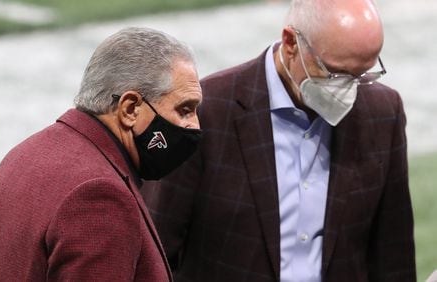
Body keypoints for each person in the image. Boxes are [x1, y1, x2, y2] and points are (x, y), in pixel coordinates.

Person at [141, 0, 416, 281]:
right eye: (336, 73)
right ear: (290, 43)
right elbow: (157, 245)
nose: (348, 89)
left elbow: (393, 252)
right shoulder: (205, 111)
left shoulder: (382, 112)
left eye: (361, 75)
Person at [0, 27, 202, 281]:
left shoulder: (21, 156)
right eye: (185, 109)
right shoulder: (99, 195)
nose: (195, 125)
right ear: (130, 108)